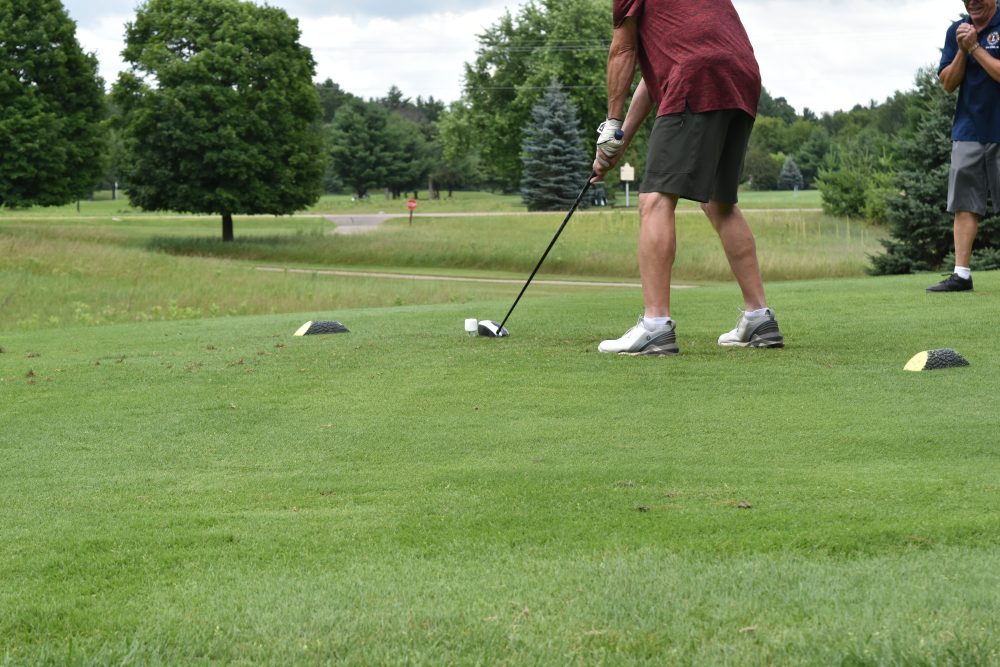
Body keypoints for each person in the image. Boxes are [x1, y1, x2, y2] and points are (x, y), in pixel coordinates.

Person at [591, 0, 783, 355]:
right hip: (740, 76)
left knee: (654, 199)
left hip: (696, 73)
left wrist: (611, 123)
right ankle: (759, 318)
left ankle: (655, 326)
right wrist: (619, 141)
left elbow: (624, 49)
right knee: (719, 201)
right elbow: (656, 79)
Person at [927, 0, 1000, 292]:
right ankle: (961, 275)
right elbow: (947, 82)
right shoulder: (957, 31)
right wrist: (961, 48)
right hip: (968, 130)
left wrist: (976, 49)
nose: (972, 2)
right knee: (964, 204)